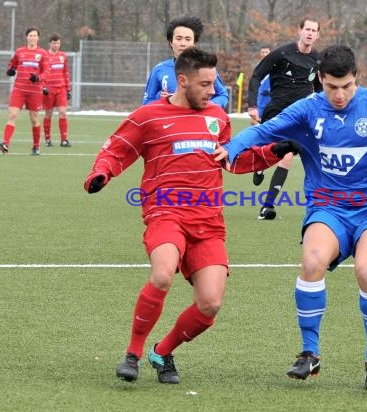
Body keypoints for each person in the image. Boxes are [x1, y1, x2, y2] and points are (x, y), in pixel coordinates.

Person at [216, 45, 367, 390]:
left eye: (347, 86)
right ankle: (309, 353)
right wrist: (232, 148)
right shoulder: (306, 109)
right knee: (312, 261)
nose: (339, 94)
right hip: (328, 207)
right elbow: (264, 132)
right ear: (320, 79)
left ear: (356, 79)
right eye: (332, 87)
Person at [84, 47, 295, 384]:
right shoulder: (148, 116)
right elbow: (117, 148)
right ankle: (133, 354)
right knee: (163, 273)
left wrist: (275, 151)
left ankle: (162, 352)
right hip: (165, 211)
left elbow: (234, 160)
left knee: (210, 303)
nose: (212, 91)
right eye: (205, 84)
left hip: (208, 221)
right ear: (183, 81)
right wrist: (101, 173)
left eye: (213, 84)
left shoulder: (218, 117)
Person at [248, 18, 322, 220]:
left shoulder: (318, 60)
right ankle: (260, 166)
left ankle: (268, 205)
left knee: (287, 155)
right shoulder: (281, 53)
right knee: (267, 151)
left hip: (299, 117)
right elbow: (256, 75)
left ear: (317, 35)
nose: (309, 33)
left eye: (313, 30)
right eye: (307, 29)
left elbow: (320, 88)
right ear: (300, 30)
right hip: (276, 111)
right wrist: (252, 105)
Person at [142, 16, 229, 109]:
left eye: (188, 39)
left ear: (194, 43)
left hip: (197, 121)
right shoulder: (159, 69)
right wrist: (160, 100)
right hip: (170, 121)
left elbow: (223, 95)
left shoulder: (206, 69)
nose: (183, 43)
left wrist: (207, 106)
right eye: (178, 39)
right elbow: (147, 102)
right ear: (171, 42)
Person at [0, 26, 48, 155]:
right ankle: (5, 144)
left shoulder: (42, 53)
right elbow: (12, 65)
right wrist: (10, 71)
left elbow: (47, 71)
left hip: (35, 91)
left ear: (38, 37)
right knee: (13, 114)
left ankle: (36, 147)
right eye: (30, 35)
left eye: (34, 35)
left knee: (34, 119)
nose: (32, 38)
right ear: (26, 37)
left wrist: (38, 78)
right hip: (19, 89)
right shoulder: (20, 51)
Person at [42, 33, 72, 148]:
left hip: (61, 89)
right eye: (54, 43)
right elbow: (42, 72)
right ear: (50, 43)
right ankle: (47, 139)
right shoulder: (44, 56)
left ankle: (64, 140)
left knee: (63, 113)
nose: (56, 45)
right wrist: (43, 86)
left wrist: (68, 89)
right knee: (48, 114)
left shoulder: (63, 56)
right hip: (48, 90)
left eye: (58, 43)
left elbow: (65, 73)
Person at [250, 45, 271, 126]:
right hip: (259, 101)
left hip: (271, 101)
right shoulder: (257, 68)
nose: (265, 54)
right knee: (255, 125)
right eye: (263, 52)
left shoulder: (275, 68)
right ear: (260, 54)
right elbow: (253, 86)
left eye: (266, 52)